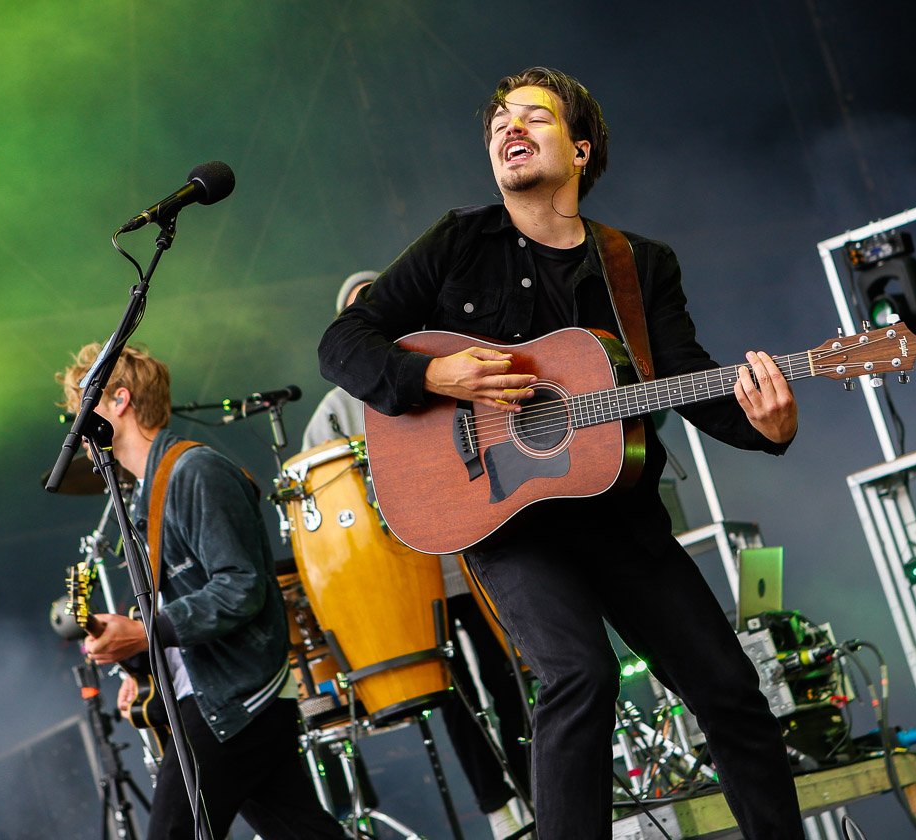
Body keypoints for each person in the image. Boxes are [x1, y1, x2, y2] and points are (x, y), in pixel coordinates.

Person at [317, 67, 806, 839]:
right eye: (498, 121)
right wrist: (432, 373)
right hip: (504, 518)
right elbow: (342, 343)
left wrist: (766, 428)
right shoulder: (457, 242)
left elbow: (681, 376)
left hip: (620, 513)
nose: (508, 128)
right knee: (581, 674)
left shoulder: (637, 265)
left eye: (533, 118)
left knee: (730, 689)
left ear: (581, 150)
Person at [57, 343, 346, 840]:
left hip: (235, 699)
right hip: (230, 698)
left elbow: (241, 588)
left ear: (119, 401)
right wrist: (143, 666)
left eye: (83, 409)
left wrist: (146, 633)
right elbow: (183, 602)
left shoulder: (195, 472)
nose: (75, 427)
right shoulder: (150, 492)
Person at [304, 272, 532, 839]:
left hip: (470, 556)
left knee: (509, 679)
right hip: (404, 575)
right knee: (450, 696)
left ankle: (539, 793)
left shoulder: (445, 366)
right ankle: (499, 809)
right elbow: (318, 492)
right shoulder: (334, 411)